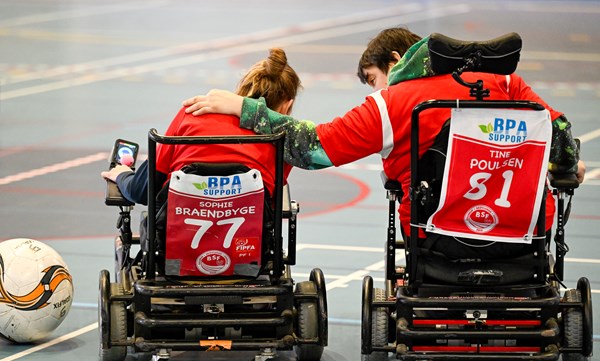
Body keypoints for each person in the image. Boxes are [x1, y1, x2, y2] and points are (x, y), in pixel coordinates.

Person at [180, 31, 585, 249]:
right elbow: (563, 139)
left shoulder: (393, 104)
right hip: (522, 235)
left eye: (373, 80)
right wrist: (568, 166)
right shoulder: (511, 86)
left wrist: (245, 108)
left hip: (436, 238)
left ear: (396, 63)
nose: (372, 89)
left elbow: (314, 149)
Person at [101, 47, 301, 204]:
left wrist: (123, 176)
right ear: (288, 105)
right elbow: (271, 201)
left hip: (176, 241)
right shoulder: (285, 137)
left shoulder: (194, 111)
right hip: (248, 245)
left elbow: (143, 190)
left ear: (243, 88)